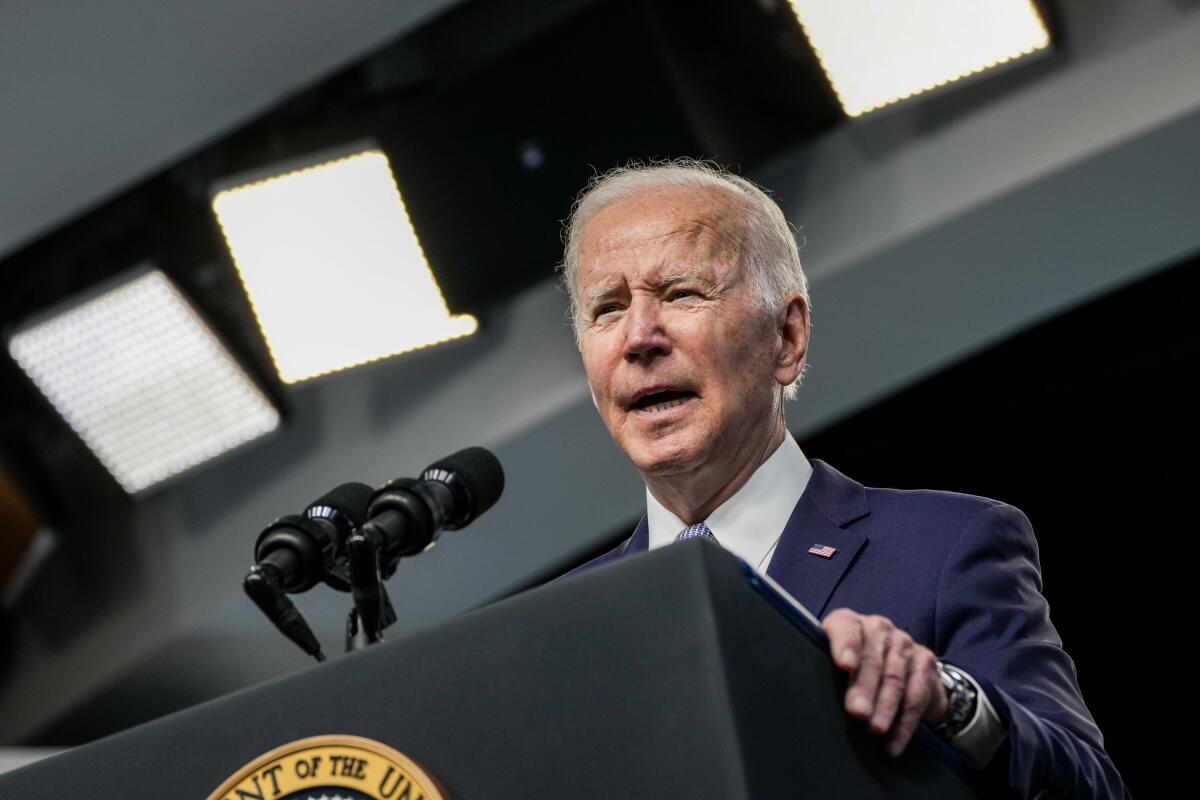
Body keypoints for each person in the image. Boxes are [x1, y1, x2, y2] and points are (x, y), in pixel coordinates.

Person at [559, 159, 1127, 799]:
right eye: (606, 309)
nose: (639, 337)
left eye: (683, 294)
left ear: (788, 336)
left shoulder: (946, 547)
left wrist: (952, 702)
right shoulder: (557, 629)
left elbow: (1089, 790)